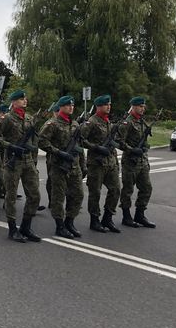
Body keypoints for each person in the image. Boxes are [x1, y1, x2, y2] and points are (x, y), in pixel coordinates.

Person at [0, 90, 42, 242]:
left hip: (28, 161)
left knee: (35, 195)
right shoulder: (7, 119)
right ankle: (12, 229)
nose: (25, 100)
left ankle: (26, 226)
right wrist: (10, 146)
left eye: (25, 98)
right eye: (21, 99)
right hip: (13, 161)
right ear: (13, 102)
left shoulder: (29, 118)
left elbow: (33, 140)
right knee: (10, 196)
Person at [38, 95, 85, 239]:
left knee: (78, 195)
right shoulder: (52, 124)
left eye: (72, 105)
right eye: (67, 106)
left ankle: (69, 222)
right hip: (59, 166)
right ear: (61, 107)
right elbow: (42, 141)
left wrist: (83, 164)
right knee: (58, 198)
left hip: (74, 166)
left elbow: (80, 146)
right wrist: (59, 152)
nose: (71, 108)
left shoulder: (76, 124)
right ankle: (60, 226)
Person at [81, 95, 121, 233]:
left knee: (115, 190)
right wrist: (96, 147)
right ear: (98, 106)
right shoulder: (91, 122)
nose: (108, 107)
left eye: (109, 104)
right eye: (105, 105)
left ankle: (108, 218)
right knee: (95, 193)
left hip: (110, 163)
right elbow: (81, 140)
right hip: (96, 163)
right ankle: (95, 220)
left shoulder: (108, 122)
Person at [117, 97, 155, 228]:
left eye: (143, 107)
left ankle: (140, 215)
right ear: (133, 107)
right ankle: (126, 216)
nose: (142, 109)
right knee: (128, 190)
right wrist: (132, 150)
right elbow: (119, 142)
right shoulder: (127, 123)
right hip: (130, 162)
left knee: (146, 188)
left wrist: (144, 146)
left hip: (142, 161)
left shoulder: (142, 122)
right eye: (140, 106)